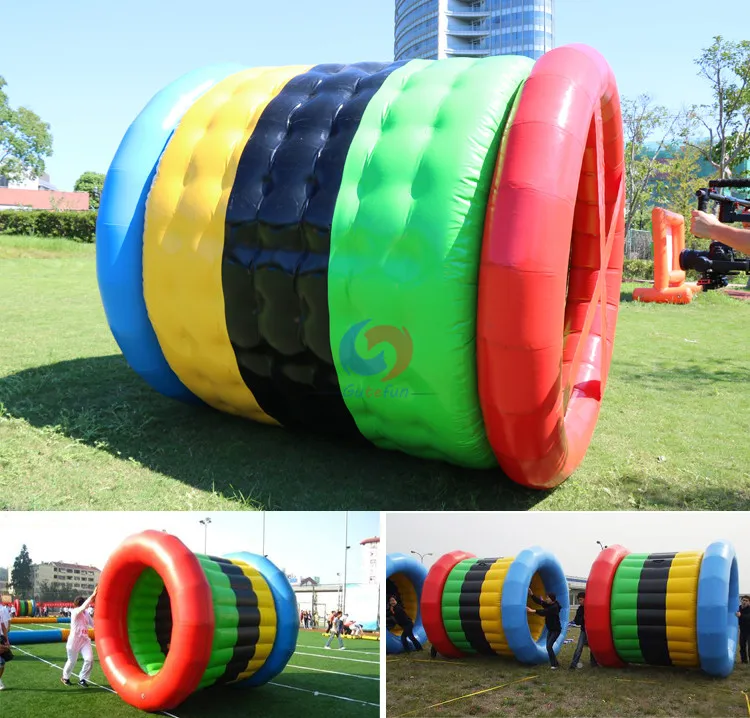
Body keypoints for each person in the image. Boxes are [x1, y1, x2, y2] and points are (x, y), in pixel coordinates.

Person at [61, 587, 97, 687]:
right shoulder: (75, 612)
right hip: (74, 640)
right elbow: (84, 606)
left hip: (84, 640)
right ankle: (65, 677)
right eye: (81, 604)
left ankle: (83, 679)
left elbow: (93, 625)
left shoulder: (86, 614)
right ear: (77, 605)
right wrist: (93, 595)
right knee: (72, 661)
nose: (83, 606)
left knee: (89, 659)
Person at [527, 588, 562, 669]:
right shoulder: (549, 604)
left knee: (549, 646)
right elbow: (540, 602)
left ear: (552, 599)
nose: (546, 599)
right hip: (551, 629)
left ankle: (554, 665)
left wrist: (533, 611)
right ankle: (555, 663)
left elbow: (544, 612)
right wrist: (532, 595)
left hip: (556, 630)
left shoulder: (554, 607)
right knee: (548, 647)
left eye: (548, 598)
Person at [568, 592, 597, 669]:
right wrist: (583, 618)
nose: (580, 601)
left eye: (581, 599)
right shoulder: (580, 609)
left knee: (593, 647)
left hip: (591, 631)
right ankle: (573, 664)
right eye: (578, 600)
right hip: (584, 631)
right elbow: (577, 621)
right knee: (579, 647)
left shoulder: (591, 607)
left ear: (585, 599)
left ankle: (594, 663)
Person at [737, 595, 750, 664]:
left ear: (749, 602)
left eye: (746, 600)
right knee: (742, 646)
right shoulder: (739, 608)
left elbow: (748, 617)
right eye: (743, 600)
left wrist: (740, 615)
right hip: (742, 630)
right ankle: (744, 661)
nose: (744, 602)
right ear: (741, 601)